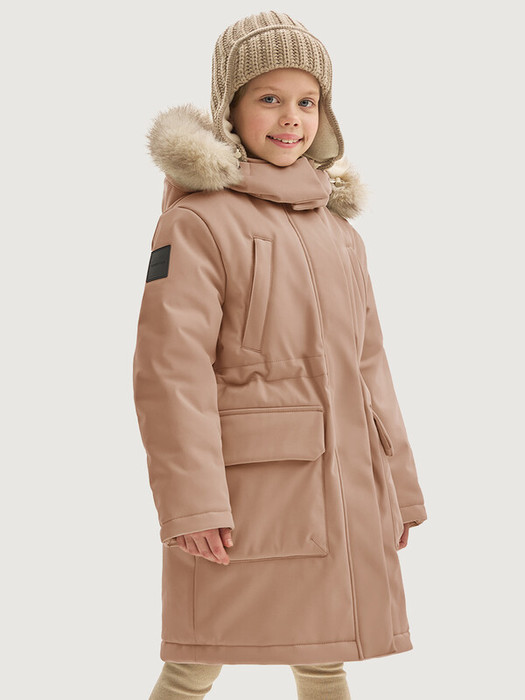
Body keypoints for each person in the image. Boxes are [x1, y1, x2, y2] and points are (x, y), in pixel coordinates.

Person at [132, 10, 428, 700]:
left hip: (340, 481)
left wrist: (398, 487)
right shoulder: (196, 221)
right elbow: (169, 370)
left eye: (307, 100)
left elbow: (369, 366)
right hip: (250, 491)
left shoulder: (338, 232)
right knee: (197, 660)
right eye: (269, 98)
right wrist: (190, 502)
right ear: (229, 110)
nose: (291, 118)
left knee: (325, 653)